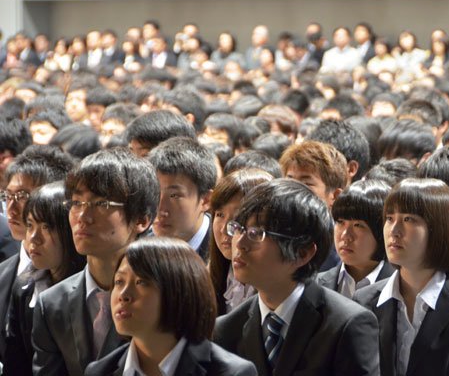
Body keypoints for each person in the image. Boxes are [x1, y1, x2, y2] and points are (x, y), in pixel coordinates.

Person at [213, 179, 380, 376]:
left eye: (256, 233)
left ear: (303, 252)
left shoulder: (346, 325)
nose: (239, 244)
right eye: (239, 229)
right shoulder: (226, 329)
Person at [31, 147, 159, 376]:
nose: (82, 217)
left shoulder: (164, 295)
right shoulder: (52, 303)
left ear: (142, 220)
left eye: (101, 204)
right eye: (76, 203)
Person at [353, 178, 449, 376]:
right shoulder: (364, 299)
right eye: (389, 218)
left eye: (408, 219)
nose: (394, 231)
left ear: (439, 228)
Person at [84, 237, 258, 376]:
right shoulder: (99, 371)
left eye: (141, 282)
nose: (123, 295)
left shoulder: (232, 372)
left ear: (179, 291)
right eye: (119, 282)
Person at [4, 182, 86, 376]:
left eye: (47, 227)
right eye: (30, 225)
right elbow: (16, 365)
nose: (34, 238)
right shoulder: (25, 287)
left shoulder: (89, 288)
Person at [208, 169, 273, 315]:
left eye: (238, 218)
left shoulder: (275, 289)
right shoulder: (205, 278)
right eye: (219, 214)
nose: (225, 229)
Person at [317, 180, 394, 298]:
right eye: (340, 222)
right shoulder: (315, 285)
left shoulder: (400, 288)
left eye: (358, 225)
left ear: (381, 230)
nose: (345, 235)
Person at [148, 137, 217, 261]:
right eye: (154, 192)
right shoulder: (138, 244)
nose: (160, 210)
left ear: (206, 200)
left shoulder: (224, 249)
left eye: (174, 196)